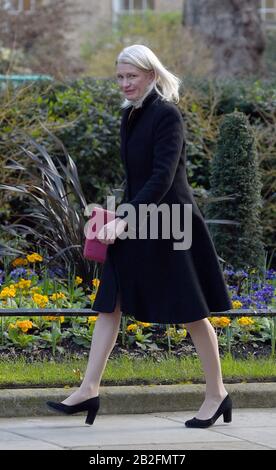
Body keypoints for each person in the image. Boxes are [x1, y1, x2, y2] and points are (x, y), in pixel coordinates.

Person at [47, 44, 233, 428]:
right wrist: (117, 215)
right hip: (138, 220)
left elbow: (163, 178)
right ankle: (88, 389)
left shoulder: (167, 115)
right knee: (109, 299)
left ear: (151, 75)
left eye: (132, 76)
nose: (125, 84)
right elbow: (137, 178)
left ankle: (217, 394)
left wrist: (125, 219)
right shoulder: (129, 115)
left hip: (172, 223)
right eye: (120, 77)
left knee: (192, 312)